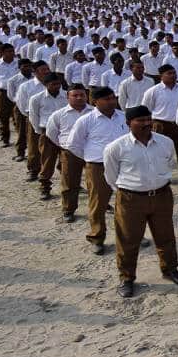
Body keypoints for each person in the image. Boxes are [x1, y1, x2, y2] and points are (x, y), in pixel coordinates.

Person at [103, 105, 178, 298]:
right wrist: (129, 191)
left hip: (161, 196)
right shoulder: (116, 147)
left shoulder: (165, 142)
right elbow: (110, 176)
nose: (146, 123)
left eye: (148, 119)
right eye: (140, 120)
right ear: (128, 124)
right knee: (128, 240)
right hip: (130, 199)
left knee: (165, 236)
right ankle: (127, 278)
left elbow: (168, 162)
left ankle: (170, 270)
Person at [67, 87, 128, 254]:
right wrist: (91, 158)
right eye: (106, 99)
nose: (111, 101)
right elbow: (74, 145)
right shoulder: (86, 120)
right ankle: (97, 237)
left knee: (127, 202)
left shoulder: (123, 117)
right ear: (95, 101)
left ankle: (129, 235)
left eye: (112, 98)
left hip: (124, 165)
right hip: (97, 166)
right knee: (98, 203)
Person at [46, 83, 92, 223]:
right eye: (75, 95)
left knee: (96, 182)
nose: (79, 98)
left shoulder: (94, 112)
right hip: (70, 152)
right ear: (68, 97)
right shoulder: (59, 115)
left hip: (91, 151)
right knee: (69, 183)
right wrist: (65, 147)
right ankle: (68, 209)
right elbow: (52, 134)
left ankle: (101, 205)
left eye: (82, 95)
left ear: (87, 96)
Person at [141, 64, 178, 181]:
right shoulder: (153, 91)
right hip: (160, 124)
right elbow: (145, 109)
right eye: (169, 73)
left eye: (174, 73)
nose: (173, 75)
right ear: (161, 76)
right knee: (160, 151)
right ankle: (160, 175)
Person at [28, 73, 67, 200]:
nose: (57, 87)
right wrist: (41, 132)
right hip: (47, 133)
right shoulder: (37, 99)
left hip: (65, 132)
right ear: (46, 85)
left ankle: (68, 185)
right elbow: (34, 117)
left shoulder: (66, 96)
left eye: (58, 84)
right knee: (47, 161)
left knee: (66, 160)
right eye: (53, 84)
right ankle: (45, 187)